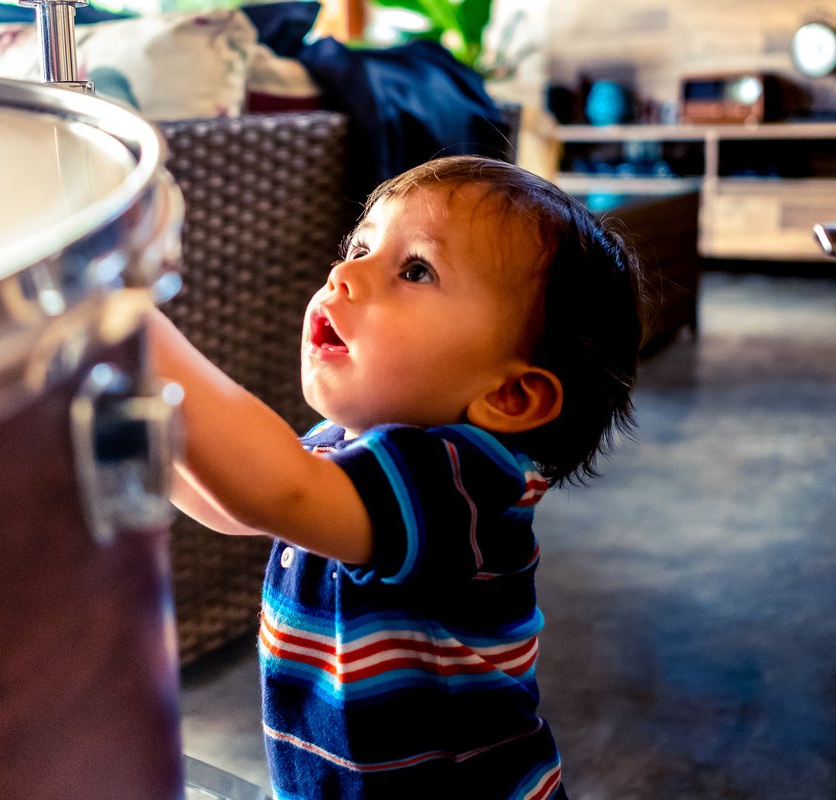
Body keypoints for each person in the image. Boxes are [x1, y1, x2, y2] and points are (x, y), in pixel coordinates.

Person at [149, 155, 645, 799]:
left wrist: (125, 319)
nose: (343, 274)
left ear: (511, 397)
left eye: (415, 270)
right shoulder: (346, 450)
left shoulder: (461, 482)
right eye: (359, 246)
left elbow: (277, 489)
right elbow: (238, 505)